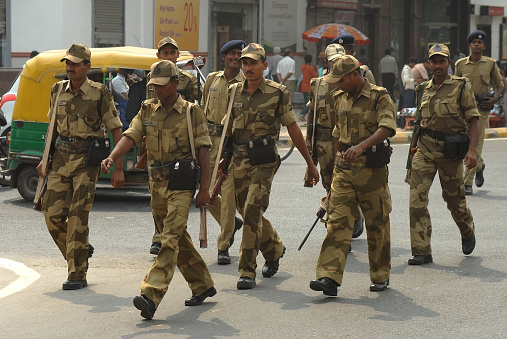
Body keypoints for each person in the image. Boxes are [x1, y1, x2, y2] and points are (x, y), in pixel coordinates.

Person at [101, 60, 216, 320]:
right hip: (157, 184)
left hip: (181, 183)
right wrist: (112, 157)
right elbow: (130, 135)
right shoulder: (147, 109)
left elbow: (204, 152)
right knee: (177, 238)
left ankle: (151, 294)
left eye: (162, 86)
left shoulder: (190, 111)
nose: (157, 90)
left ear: (175, 84)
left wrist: (205, 188)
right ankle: (203, 284)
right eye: (153, 85)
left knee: (169, 239)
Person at [220, 43, 319, 290]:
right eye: (244, 63)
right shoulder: (233, 91)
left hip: (264, 161)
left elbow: (293, 127)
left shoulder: (278, 92)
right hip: (239, 160)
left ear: (265, 65)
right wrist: (221, 160)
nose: (248, 67)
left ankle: (246, 271)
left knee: (253, 209)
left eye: (253, 63)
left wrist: (310, 164)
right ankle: (274, 248)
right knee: (247, 211)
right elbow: (227, 131)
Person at [36, 43, 124, 290]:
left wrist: (118, 168)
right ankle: (80, 250)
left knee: (77, 216)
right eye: (68, 63)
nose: (70, 67)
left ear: (87, 66)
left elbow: (117, 131)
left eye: (75, 63)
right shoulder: (57, 90)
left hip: (87, 161)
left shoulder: (100, 93)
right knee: (51, 214)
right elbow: (52, 126)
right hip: (61, 159)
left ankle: (77, 273)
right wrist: (45, 159)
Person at [309, 55, 396, 296]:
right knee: (337, 222)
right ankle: (328, 277)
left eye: (340, 80)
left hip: (372, 171)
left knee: (376, 223)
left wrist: (362, 146)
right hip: (344, 171)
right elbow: (338, 132)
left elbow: (387, 127)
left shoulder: (379, 96)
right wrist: (336, 165)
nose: (336, 85)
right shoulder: (339, 98)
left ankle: (380, 275)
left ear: (353, 75)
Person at [408, 43, 480, 266]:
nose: (437, 65)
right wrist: (411, 160)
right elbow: (418, 125)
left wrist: (472, 152)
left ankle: (467, 230)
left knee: (454, 200)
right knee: (416, 201)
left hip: (450, 152)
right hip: (426, 149)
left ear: (448, 63)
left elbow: (473, 119)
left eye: (442, 61)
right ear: (428, 64)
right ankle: (421, 251)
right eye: (434, 61)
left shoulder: (461, 86)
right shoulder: (422, 89)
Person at [149, 36, 201, 255]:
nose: (169, 56)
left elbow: (194, 111)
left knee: (179, 196)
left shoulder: (187, 80)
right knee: (156, 196)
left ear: (178, 55)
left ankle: (171, 237)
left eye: (172, 52)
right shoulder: (151, 79)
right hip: (155, 141)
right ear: (158, 55)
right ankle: (160, 235)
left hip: (180, 143)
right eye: (165, 52)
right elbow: (147, 109)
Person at [201, 39, 245, 265]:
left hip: (230, 145)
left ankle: (223, 245)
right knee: (205, 194)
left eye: (240, 54)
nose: (236, 57)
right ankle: (231, 224)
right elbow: (203, 110)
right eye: (232, 54)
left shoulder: (245, 83)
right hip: (209, 141)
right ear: (224, 57)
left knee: (226, 196)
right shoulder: (212, 80)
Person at [455, 30, 504, 195]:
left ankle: (467, 183)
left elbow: (499, 84)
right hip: (463, 109)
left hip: (481, 109)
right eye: (474, 42)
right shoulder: (460, 64)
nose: (477, 44)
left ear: (484, 46)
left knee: (475, 145)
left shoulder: (490, 64)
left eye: (480, 42)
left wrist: (495, 98)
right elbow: (455, 86)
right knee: (463, 144)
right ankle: (479, 165)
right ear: (469, 45)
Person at [299, 54, 318, 120]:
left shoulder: (303, 67)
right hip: (309, 87)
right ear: (311, 60)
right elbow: (315, 76)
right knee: (309, 102)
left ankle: (303, 114)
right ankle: (302, 114)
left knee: (306, 101)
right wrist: (317, 69)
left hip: (303, 86)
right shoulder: (311, 68)